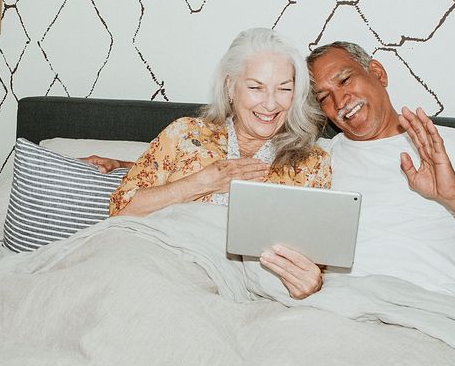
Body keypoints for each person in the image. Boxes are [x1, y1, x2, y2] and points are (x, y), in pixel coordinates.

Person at [263, 41, 455, 304]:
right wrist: (307, 280)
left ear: (378, 73)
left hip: (433, 314)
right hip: (340, 312)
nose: (340, 101)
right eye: (324, 97)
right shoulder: (315, 160)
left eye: (344, 80)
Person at [85, 28, 333, 299]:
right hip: (152, 265)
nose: (271, 104)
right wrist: (203, 181)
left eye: (284, 89)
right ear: (230, 87)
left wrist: (311, 282)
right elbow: (120, 214)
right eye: (255, 87)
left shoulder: (311, 163)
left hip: (235, 292)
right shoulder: (185, 133)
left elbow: (313, 259)